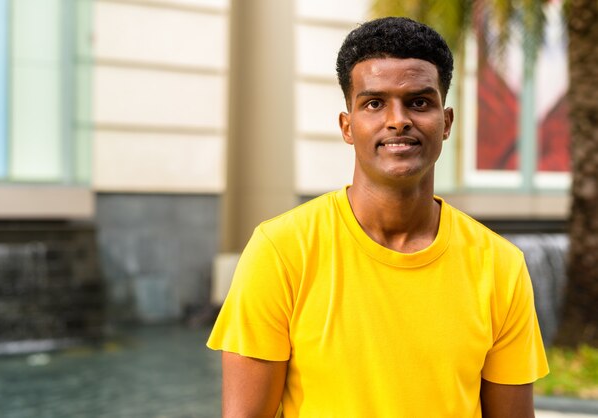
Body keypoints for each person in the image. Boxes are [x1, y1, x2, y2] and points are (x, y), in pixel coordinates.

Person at [207, 16, 549, 417]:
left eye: (419, 102)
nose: (398, 119)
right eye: (374, 103)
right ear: (348, 126)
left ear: (447, 122)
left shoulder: (501, 266)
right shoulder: (281, 251)